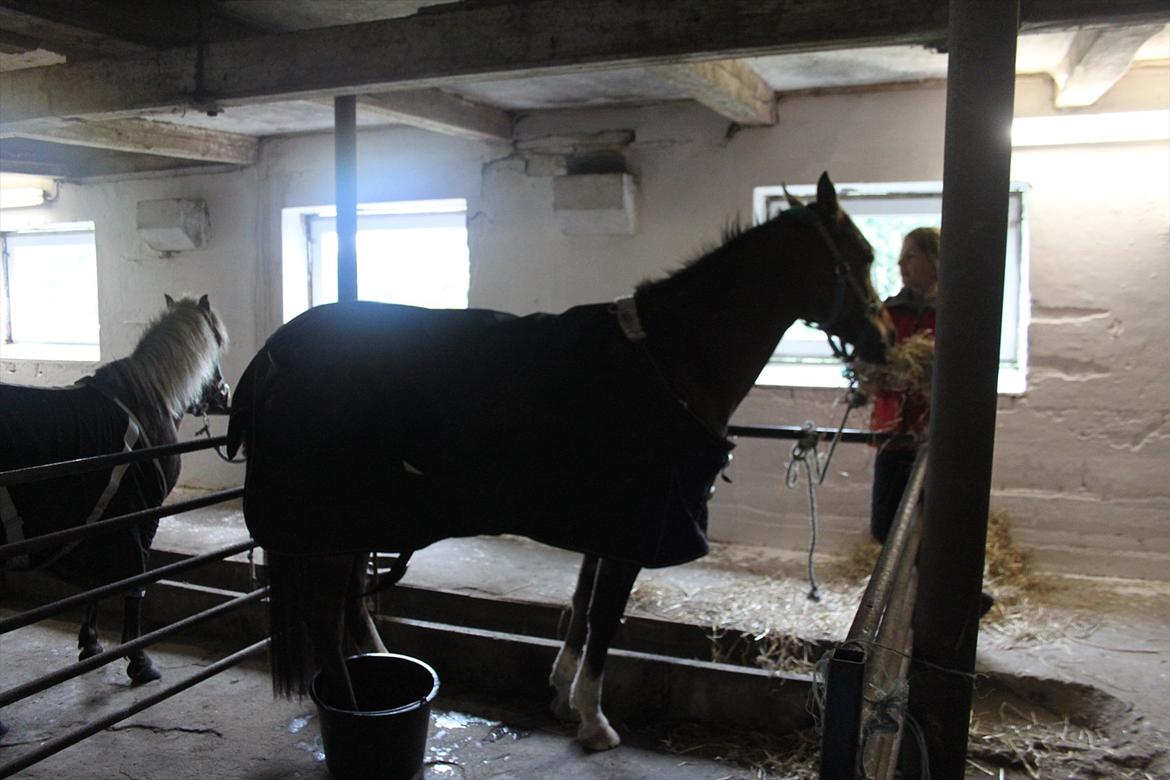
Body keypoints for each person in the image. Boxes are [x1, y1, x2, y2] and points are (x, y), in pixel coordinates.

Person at [868, 227, 938, 544]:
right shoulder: (889, 313)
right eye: (900, 255)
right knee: (885, 527)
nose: (900, 263)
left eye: (911, 255)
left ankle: (940, 589)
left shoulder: (957, 314)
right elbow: (870, 368)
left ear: (936, 259)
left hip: (940, 437)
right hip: (894, 434)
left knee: (938, 522)